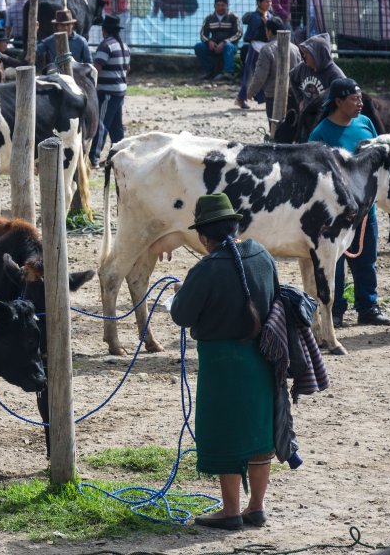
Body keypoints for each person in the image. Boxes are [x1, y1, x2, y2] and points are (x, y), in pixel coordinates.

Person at [171, 193, 278, 532]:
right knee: (259, 432)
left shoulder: (206, 268)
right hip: (262, 357)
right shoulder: (261, 253)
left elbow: (181, 314)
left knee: (225, 432)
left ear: (204, 237)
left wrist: (181, 290)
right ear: (235, 225)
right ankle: (255, 508)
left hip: (222, 363)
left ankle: (230, 511)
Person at [307, 79, 390, 328]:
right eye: (354, 99)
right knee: (336, 260)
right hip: (335, 213)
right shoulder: (320, 133)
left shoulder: (365, 124)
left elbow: (378, 156)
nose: (360, 103)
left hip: (366, 209)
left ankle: (368, 307)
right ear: (338, 101)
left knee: (366, 258)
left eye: (360, 98)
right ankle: (337, 310)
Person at [88, 14, 129, 168]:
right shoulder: (124, 46)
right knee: (116, 126)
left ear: (104, 30)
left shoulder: (106, 45)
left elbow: (96, 67)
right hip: (120, 91)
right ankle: (120, 155)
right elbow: (128, 68)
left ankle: (93, 158)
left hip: (107, 92)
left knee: (101, 124)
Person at [247, 16, 300, 124]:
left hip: (273, 95)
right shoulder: (295, 48)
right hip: (293, 94)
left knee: (275, 127)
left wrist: (251, 91)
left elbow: (260, 75)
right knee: (291, 126)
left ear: (269, 31)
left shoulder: (267, 50)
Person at [289, 33, 344, 114]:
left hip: (324, 119)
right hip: (306, 116)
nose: (304, 56)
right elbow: (292, 76)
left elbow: (342, 100)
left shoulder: (336, 75)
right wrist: (300, 100)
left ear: (317, 55)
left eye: (307, 53)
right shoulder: (303, 67)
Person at [194, 0, 242, 81]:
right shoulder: (209, 18)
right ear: (214, 6)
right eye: (218, 5)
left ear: (227, 6)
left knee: (228, 47)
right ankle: (210, 71)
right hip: (214, 45)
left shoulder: (234, 17)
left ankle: (228, 73)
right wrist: (209, 42)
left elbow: (238, 34)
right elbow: (203, 34)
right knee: (198, 47)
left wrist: (225, 42)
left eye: (223, 5)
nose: (220, 8)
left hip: (230, 46)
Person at [236, 0, 272, 109]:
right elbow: (253, 34)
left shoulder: (270, 16)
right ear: (259, 3)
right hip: (255, 47)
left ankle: (264, 97)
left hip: (266, 48)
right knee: (250, 74)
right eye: (266, 1)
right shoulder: (255, 17)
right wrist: (264, 26)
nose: (269, 4)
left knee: (264, 73)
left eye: (270, 2)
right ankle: (242, 98)